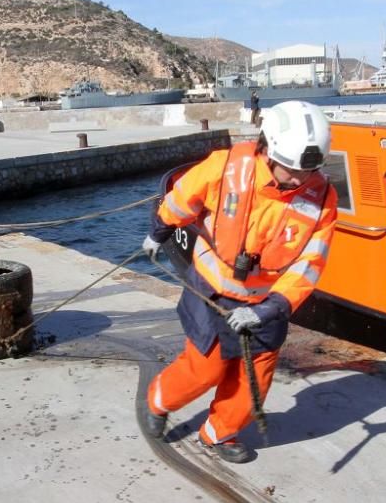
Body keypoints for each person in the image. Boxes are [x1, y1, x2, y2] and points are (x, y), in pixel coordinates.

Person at [140, 100, 338, 463]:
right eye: (292, 170)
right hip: (212, 292)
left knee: (253, 382)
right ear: (267, 150)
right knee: (206, 369)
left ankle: (218, 433)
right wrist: (159, 231)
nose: (299, 180)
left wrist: (272, 307)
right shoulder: (226, 167)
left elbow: (310, 263)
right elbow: (184, 198)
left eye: (309, 171)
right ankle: (159, 400)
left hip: (265, 306)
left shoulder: (322, 199)